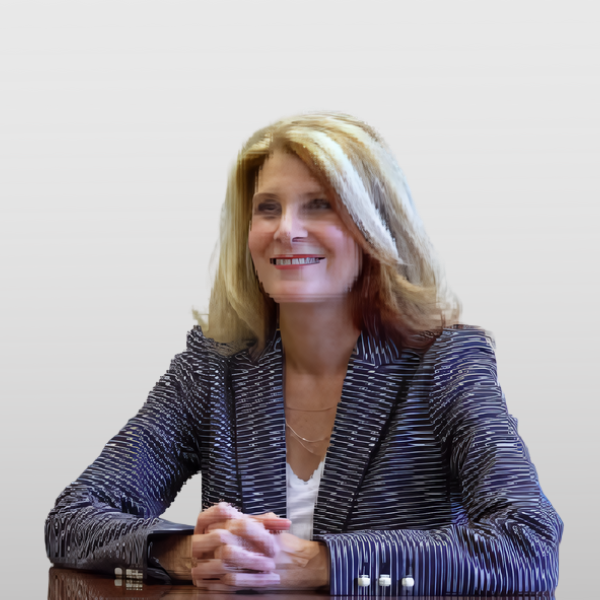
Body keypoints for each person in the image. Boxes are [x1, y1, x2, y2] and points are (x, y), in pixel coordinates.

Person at [45, 112, 563, 595]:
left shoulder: (445, 362)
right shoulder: (213, 365)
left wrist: (320, 562)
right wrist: (185, 552)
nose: (285, 229)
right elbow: (74, 517)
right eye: (267, 208)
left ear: (374, 229)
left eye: (320, 205)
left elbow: (528, 543)